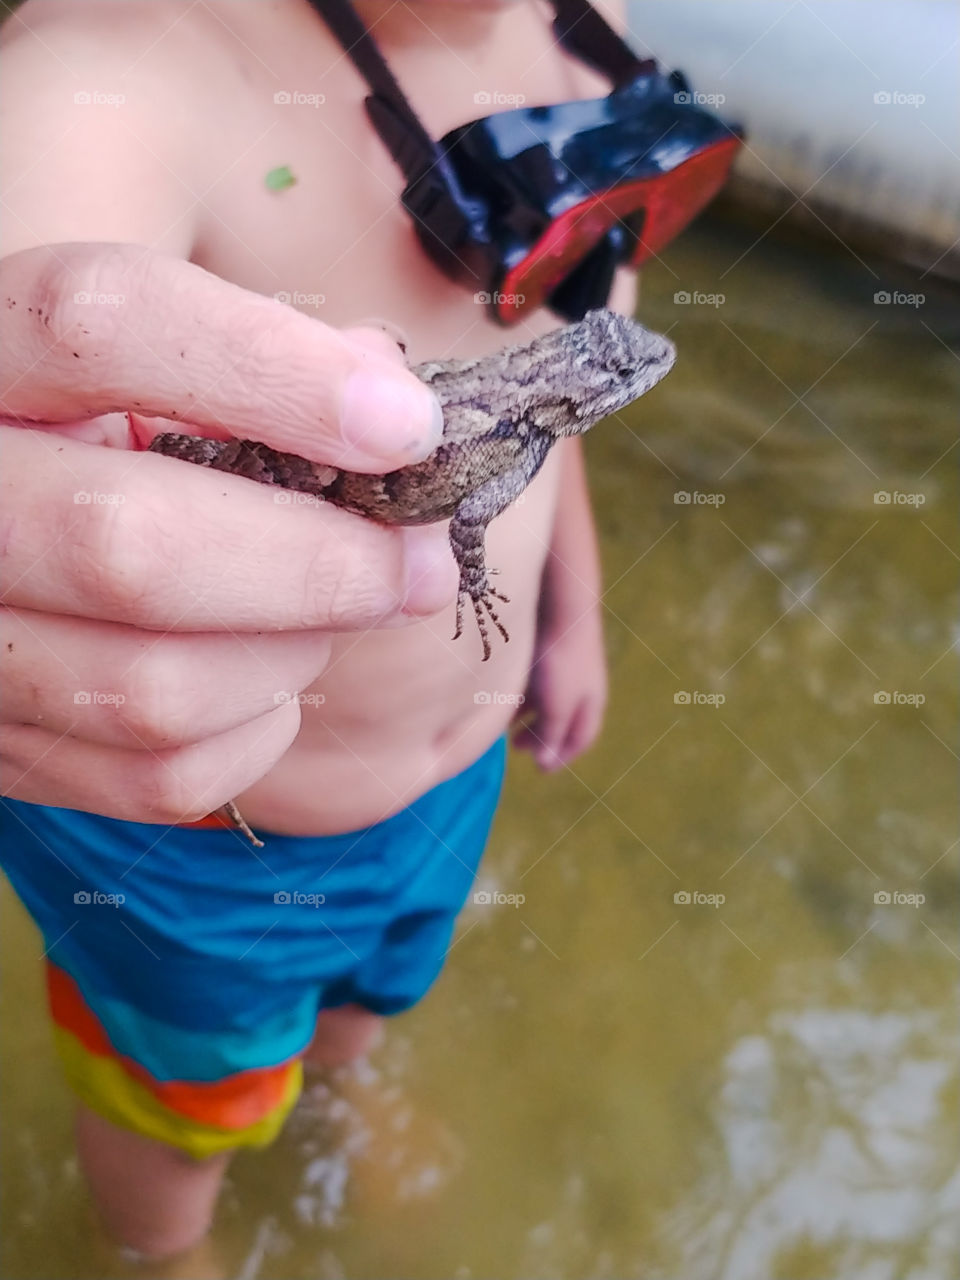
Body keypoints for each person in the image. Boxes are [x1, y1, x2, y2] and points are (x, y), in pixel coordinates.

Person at [0, 0, 628, 1258]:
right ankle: (157, 1247)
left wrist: (579, 604)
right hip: (191, 848)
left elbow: (557, 370)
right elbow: (43, 296)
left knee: (372, 993)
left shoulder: (585, 21)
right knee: (180, 1110)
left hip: (459, 769)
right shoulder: (119, 68)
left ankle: (341, 1084)